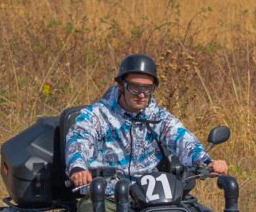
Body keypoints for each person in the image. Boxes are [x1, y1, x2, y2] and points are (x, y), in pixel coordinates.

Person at [65, 54, 228, 195]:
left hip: (152, 195)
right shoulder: (96, 115)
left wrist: (206, 162)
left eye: (148, 89)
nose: (142, 95)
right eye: (135, 87)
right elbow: (79, 140)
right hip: (106, 197)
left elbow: (182, 139)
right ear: (121, 85)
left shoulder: (159, 117)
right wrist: (78, 168)